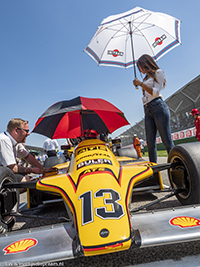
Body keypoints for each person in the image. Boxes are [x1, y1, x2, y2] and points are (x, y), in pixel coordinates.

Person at [133, 54, 174, 163]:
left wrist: (141, 84)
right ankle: (154, 174)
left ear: (145, 64)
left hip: (158, 107)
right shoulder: (146, 78)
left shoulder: (158, 72)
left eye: (140, 67)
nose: (140, 70)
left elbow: (155, 93)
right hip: (147, 110)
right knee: (150, 144)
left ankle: (178, 167)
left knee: (167, 142)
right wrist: (140, 84)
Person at [0, 118, 56, 190]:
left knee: (30, 179)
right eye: (26, 131)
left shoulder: (16, 143)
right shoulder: (4, 140)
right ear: (16, 131)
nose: (28, 134)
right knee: (27, 182)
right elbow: (12, 168)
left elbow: (28, 156)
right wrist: (33, 170)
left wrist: (43, 169)